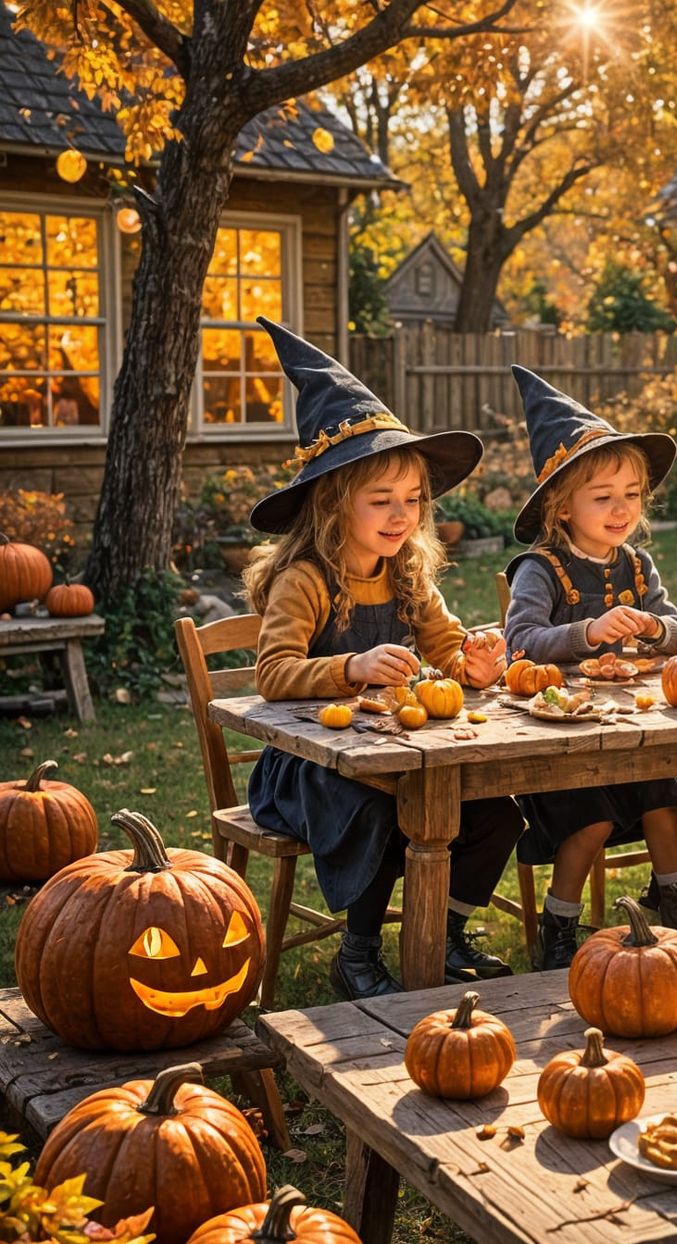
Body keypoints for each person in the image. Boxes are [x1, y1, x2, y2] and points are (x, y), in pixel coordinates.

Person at [244, 318, 522, 1000]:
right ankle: (359, 952)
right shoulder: (305, 580)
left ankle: (447, 931)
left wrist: (474, 662)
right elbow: (273, 675)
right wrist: (352, 668)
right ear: (335, 506)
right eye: (381, 502)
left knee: (499, 811)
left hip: (392, 752)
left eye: (413, 501)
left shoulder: (407, 577)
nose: (401, 516)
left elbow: (447, 647)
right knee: (377, 812)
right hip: (309, 767)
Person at [501, 366, 677, 969]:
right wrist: (586, 632)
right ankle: (559, 923)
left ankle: (673, 894)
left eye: (631, 495)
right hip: (561, 742)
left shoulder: (637, 568)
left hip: (631, 729)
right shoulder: (540, 569)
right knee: (593, 817)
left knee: (664, 792)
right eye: (602, 498)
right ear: (561, 506)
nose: (620, 508)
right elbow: (519, 643)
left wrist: (654, 627)